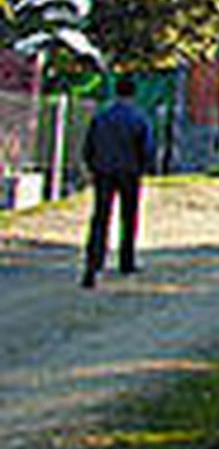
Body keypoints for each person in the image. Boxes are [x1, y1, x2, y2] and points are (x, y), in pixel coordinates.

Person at [80, 75, 156, 289]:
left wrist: (92, 165)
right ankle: (126, 260)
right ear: (133, 94)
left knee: (100, 217)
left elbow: (89, 144)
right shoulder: (139, 118)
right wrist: (144, 167)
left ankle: (94, 262)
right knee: (128, 217)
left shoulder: (102, 116)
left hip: (103, 171)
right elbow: (147, 147)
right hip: (129, 172)